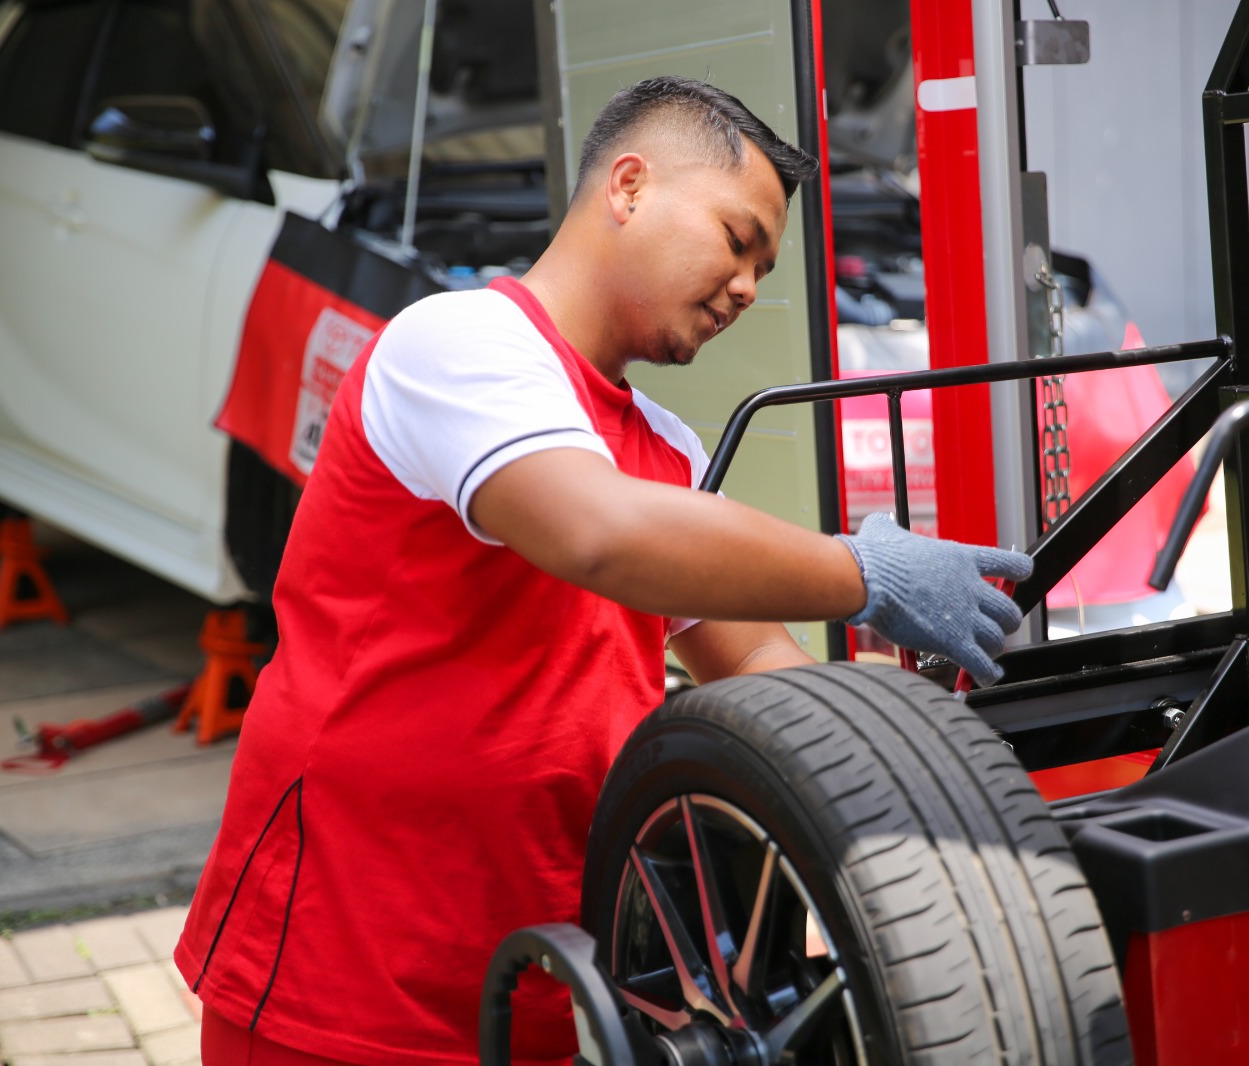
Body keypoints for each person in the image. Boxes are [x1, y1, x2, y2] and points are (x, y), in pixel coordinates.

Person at [176, 75, 1032, 1065]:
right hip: (343, 965)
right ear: (628, 186)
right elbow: (594, 532)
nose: (750, 287)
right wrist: (861, 568)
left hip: (540, 980)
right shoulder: (457, 344)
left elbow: (757, 662)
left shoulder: (664, 448)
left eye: (763, 262)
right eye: (736, 237)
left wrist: (922, 753)